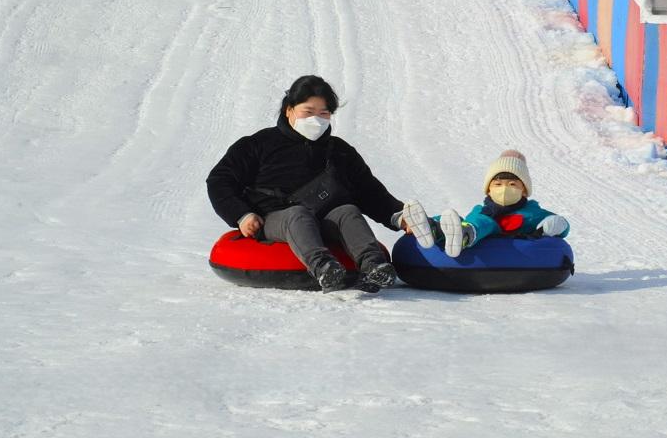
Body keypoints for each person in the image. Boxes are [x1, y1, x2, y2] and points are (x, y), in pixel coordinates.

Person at [207, 75, 418, 292]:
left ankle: (374, 266)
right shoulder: (257, 145)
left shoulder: (339, 151)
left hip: (326, 219)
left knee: (347, 211)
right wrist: (242, 215)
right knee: (297, 214)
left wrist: (399, 216)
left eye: (324, 113)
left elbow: (368, 190)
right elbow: (219, 180)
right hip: (277, 220)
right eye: (308, 112)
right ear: (289, 110)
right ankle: (324, 268)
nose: (316, 120)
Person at [404, 150, 570, 257]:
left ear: (524, 190)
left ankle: (465, 235)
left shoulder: (532, 212)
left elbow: (560, 226)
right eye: (498, 184)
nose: (504, 189)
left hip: (513, 243)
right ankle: (431, 227)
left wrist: (555, 224)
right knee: (464, 219)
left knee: (486, 223)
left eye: (512, 185)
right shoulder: (482, 211)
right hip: (473, 227)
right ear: (488, 190)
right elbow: (466, 220)